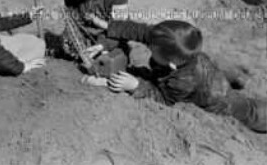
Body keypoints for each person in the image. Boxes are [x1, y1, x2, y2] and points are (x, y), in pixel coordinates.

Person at [106, 19, 267, 133]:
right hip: (207, 74)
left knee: (250, 111)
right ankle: (236, 78)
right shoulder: (169, 42)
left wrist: (136, 86)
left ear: (171, 66)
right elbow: (144, 33)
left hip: (218, 102)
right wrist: (110, 27)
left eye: (152, 50)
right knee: (224, 82)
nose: (149, 47)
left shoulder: (182, 81)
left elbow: (164, 100)